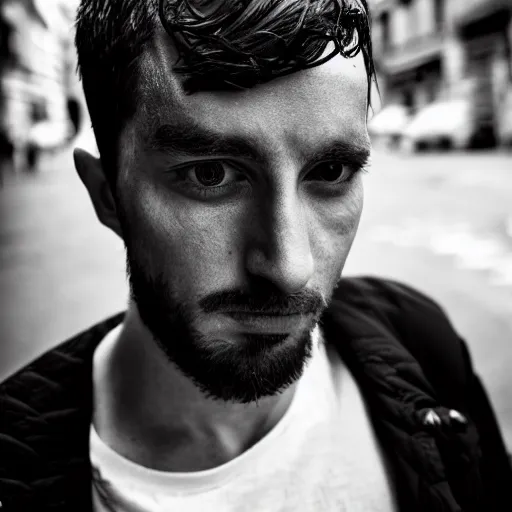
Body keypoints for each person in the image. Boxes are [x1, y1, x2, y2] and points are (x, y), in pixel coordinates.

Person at [0, 0, 511, 510]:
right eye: (210, 174)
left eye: (330, 171)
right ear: (107, 193)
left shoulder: (422, 345)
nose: (290, 269)